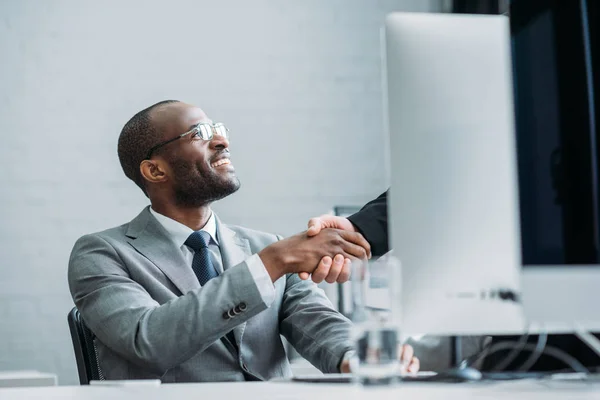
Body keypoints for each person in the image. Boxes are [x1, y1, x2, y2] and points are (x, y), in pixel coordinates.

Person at [68, 101, 418, 382]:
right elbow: (148, 341)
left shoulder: (266, 244)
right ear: (155, 170)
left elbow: (318, 322)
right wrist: (270, 263)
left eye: (219, 130)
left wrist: (355, 355)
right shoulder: (102, 253)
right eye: (199, 134)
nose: (222, 141)